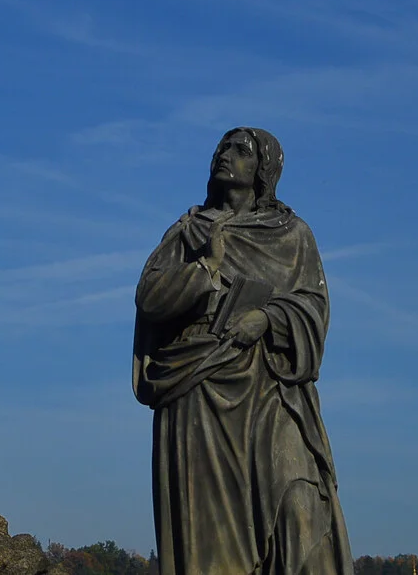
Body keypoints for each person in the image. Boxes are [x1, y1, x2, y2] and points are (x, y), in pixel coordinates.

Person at [133, 128, 353, 575]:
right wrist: (206, 267)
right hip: (196, 388)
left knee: (300, 501)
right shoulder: (188, 231)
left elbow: (314, 306)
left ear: (263, 169)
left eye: (240, 150)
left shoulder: (292, 234)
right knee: (210, 541)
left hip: (269, 386)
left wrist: (268, 319)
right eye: (221, 148)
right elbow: (150, 298)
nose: (225, 155)